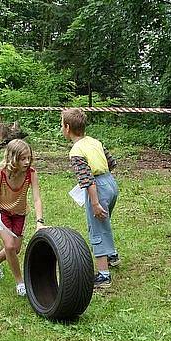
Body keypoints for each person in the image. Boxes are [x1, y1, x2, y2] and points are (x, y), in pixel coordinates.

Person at [61, 108, 119, 288]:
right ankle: (112, 256)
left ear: (67, 127)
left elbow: (87, 180)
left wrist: (94, 202)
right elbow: (111, 163)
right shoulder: (95, 142)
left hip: (97, 189)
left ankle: (103, 275)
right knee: (104, 222)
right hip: (111, 184)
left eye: (61, 125)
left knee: (97, 228)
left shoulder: (76, 151)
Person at [0, 139, 44, 297]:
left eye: (29, 158)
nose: (27, 162)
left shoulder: (31, 174)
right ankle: (20, 283)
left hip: (20, 214)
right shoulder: (0, 175)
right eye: (23, 158)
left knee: (15, 249)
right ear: (12, 158)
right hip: (2, 213)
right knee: (9, 246)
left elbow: (36, 198)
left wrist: (39, 221)